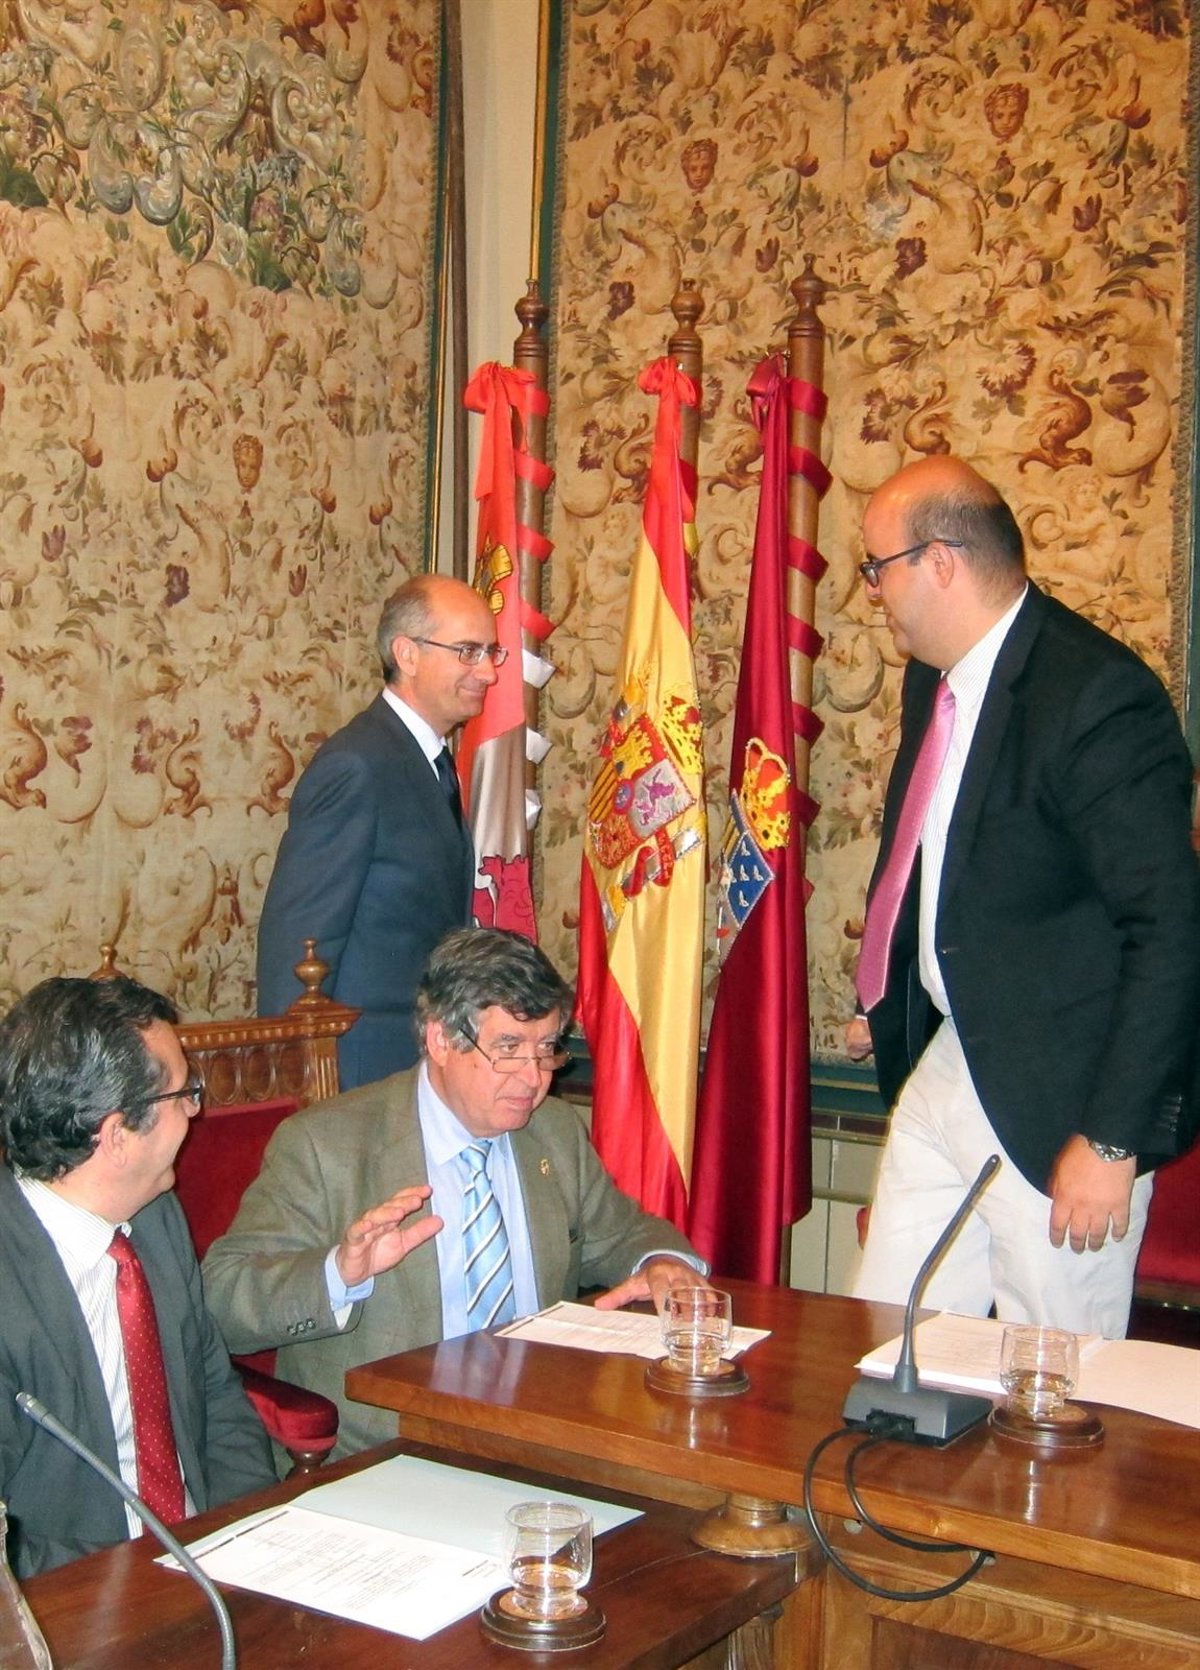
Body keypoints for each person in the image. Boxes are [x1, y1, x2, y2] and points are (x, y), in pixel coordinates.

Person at [846, 455, 1200, 1339]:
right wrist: (888, 990)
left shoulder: (1096, 696)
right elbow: (937, 857)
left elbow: (1171, 928)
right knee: (888, 1340)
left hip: (1067, 1095)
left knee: (1056, 1377)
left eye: (876, 568)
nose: (871, 592)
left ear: (939, 562)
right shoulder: (935, 676)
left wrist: (1112, 1138)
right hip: (954, 1056)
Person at [204, 927, 707, 1458]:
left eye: (546, 1049)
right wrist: (337, 1274)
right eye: (508, 1049)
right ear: (441, 1040)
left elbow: (624, 1233)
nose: (534, 1079)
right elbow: (223, 1300)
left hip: (544, 1431)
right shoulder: (326, 1145)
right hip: (389, 1449)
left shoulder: (553, 1131)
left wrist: (662, 1263)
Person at [0, 976, 275, 1578]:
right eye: (183, 1094)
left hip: (207, 1564)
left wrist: (247, 1534)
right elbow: (11, 1552)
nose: (195, 1110)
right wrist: (138, 1583)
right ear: (117, 1135)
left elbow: (216, 1397)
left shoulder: (154, 1216)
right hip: (77, 1594)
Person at [256, 573, 502, 1089]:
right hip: (354, 1072)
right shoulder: (358, 765)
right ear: (407, 654)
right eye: (468, 652)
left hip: (411, 1065)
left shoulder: (426, 761)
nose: (487, 672)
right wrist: (299, 1083)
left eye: (490, 653)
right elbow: (299, 947)